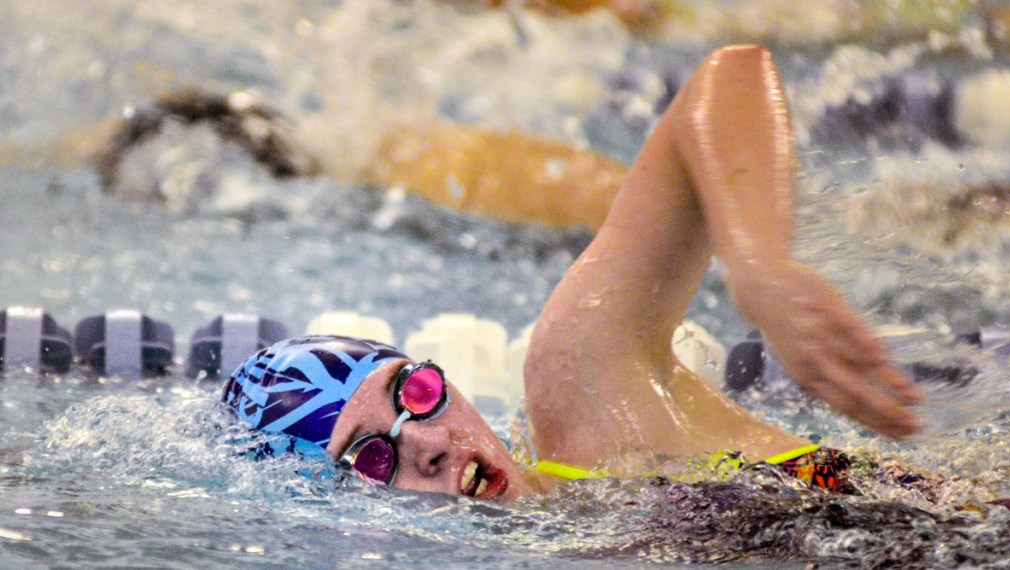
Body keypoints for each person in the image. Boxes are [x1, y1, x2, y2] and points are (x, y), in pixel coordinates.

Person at [222, 45, 923, 502]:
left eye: (417, 390)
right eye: (375, 457)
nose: (432, 445)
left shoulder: (586, 394)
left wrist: (760, 263)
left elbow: (729, 74)